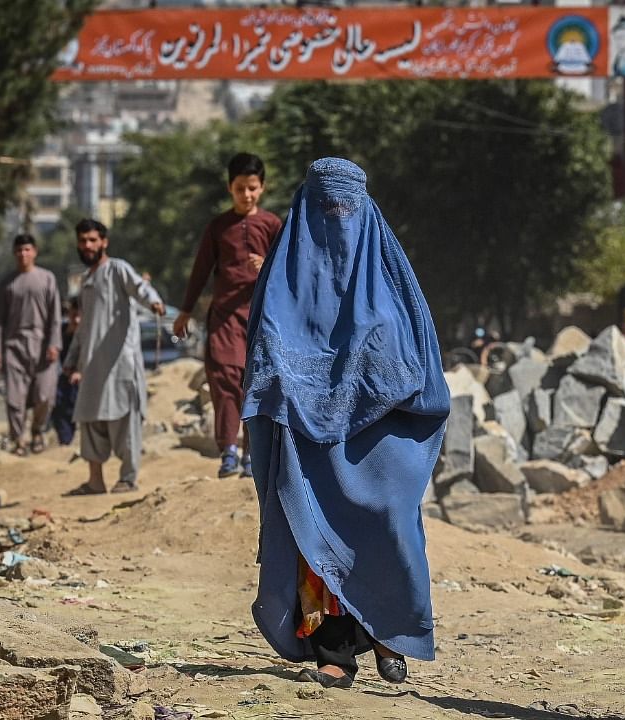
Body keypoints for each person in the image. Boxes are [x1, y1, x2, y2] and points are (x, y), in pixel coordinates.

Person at [244, 158, 449, 689]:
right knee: (316, 538)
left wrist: (370, 369)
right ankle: (334, 651)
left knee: (390, 525)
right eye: (325, 207)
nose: (338, 219)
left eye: (347, 207)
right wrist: (291, 380)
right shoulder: (283, 274)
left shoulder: (387, 271)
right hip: (307, 437)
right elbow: (266, 345)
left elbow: (418, 355)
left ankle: (389, 636)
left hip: (379, 435)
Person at [175, 152, 282, 478]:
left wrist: (268, 267)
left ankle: (252, 453)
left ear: (262, 187)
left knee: (255, 382)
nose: (246, 195)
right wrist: (186, 309)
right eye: (239, 189)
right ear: (229, 188)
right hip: (223, 317)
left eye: (252, 188)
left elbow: (292, 271)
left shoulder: (273, 225)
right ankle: (229, 450)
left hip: (261, 317)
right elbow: (201, 270)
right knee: (224, 381)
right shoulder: (218, 227)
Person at [64, 219, 165, 495]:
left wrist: (154, 302)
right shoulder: (86, 280)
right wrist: (72, 359)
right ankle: (95, 480)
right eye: (83, 240)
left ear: (104, 242)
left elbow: (140, 289)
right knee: (90, 419)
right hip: (92, 366)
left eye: (93, 240)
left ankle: (128, 477)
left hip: (121, 362)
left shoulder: (117, 269)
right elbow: (84, 328)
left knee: (125, 420)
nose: (88, 246)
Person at [0, 234, 63, 456]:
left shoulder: (47, 279)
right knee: (15, 398)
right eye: (19, 250)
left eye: (27, 250)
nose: (23, 254)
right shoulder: (6, 284)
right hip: (14, 345)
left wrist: (54, 344)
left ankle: (38, 432)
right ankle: (18, 439)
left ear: (35, 252)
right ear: (14, 254)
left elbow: (55, 316)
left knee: (44, 395)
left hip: (42, 344)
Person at [52, 297, 82, 446]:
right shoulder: (61, 333)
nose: (76, 320)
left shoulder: (90, 335)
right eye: (73, 315)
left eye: (79, 316)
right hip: (65, 382)